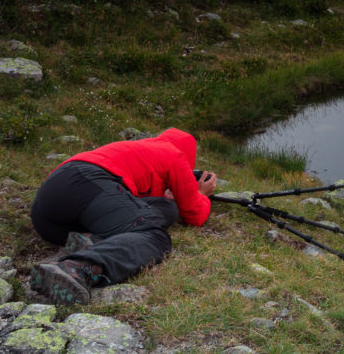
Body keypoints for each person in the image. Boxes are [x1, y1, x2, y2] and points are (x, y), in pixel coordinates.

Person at [29, 127, 217, 304]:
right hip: (89, 184)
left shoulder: (141, 150)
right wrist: (200, 194)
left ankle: (91, 241)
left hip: (48, 213)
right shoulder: (175, 155)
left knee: (167, 208)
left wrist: (170, 199)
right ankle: (78, 268)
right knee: (155, 236)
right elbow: (194, 215)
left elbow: (129, 199)